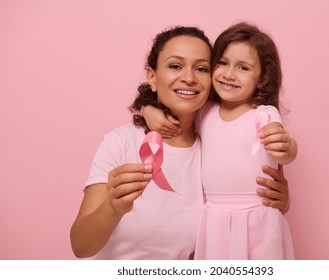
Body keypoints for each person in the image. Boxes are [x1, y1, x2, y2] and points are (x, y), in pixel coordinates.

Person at [70, 25, 290, 260]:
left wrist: (281, 200)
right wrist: (112, 208)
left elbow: (257, 191)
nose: (188, 78)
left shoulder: (216, 147)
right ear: (152, 77)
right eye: (175, 66)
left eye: (201, 68)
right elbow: (81, 247)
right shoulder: (121, 142)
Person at [142, 22, 297, 259]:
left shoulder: (264, 114)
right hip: (214, 219)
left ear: (263, 78)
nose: (229, 74)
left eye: (243, 68)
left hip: (258, 218)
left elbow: (284, 146)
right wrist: (147, 109)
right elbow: (173, 108)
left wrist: (286, 148)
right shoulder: (205, 112)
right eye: (222, 63)